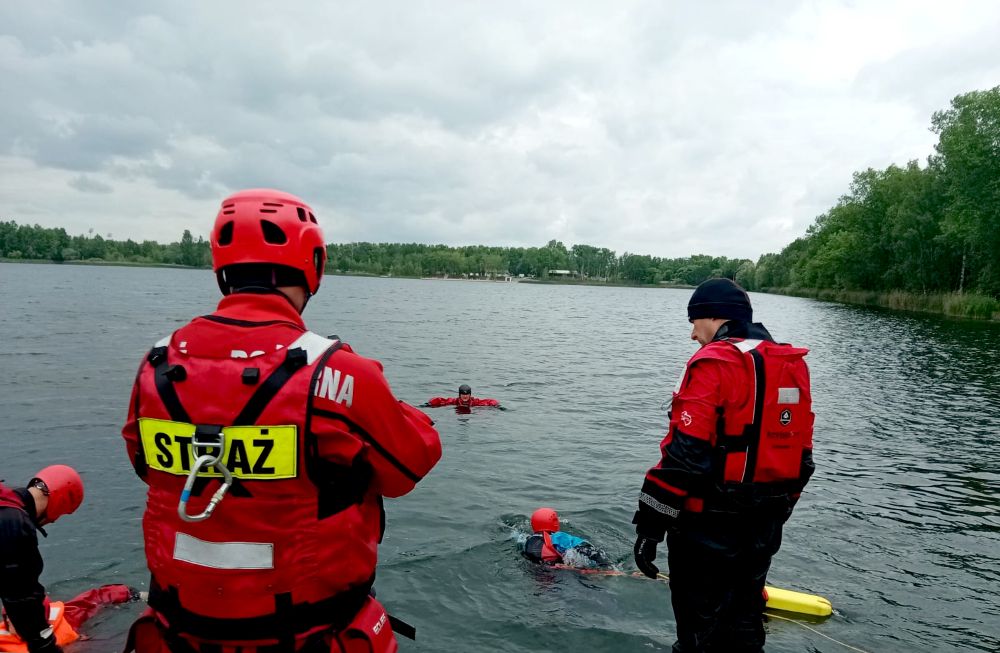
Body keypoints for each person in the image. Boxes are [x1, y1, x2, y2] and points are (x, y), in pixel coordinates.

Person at [121, 189, 442, 653]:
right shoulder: (339, 372)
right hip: (308, 633)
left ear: (220, 266)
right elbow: (413, 463)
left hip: (178, 632)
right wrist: (378, 397)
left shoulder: (154, 365)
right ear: (313, 265)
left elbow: (141, 461)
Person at [631, 278, 815, 653]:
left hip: (707, 527)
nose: (692, 334)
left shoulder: (714, 362)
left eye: (694, 322)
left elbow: (685, 456)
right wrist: (778, 510)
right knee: (745, 621)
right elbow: (803, 456)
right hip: (763, 525)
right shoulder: (790, 363)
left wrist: (650, 528)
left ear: (713, 317)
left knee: (699, 632)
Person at [0, 465, 85, 653]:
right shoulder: (15, 523)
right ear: (61, 502)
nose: (54, 521)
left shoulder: (7, 500)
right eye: (60, 515)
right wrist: (45, 645)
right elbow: (22, 596)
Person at [1, 584, 143, 652]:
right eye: (9, 618)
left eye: (23, 618)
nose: (10, 622)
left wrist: (130, 594)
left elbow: (93, 600)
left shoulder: (67, 618)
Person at [521, 508, 610, 569]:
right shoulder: (558, 537)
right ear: (554, 522)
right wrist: (605, 565)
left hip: (536, 572)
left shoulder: (528, 540)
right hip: (560, 573)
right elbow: (585, 548)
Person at [421, 384, 501, 409]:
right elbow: (439, 399)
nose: (465, 396)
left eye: (467, 394)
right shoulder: (454, 401)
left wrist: (496, 405)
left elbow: (489, 401)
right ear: (459, 395)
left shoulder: (474, 402)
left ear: (470, 395)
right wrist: (429, 404)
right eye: (463, 394)